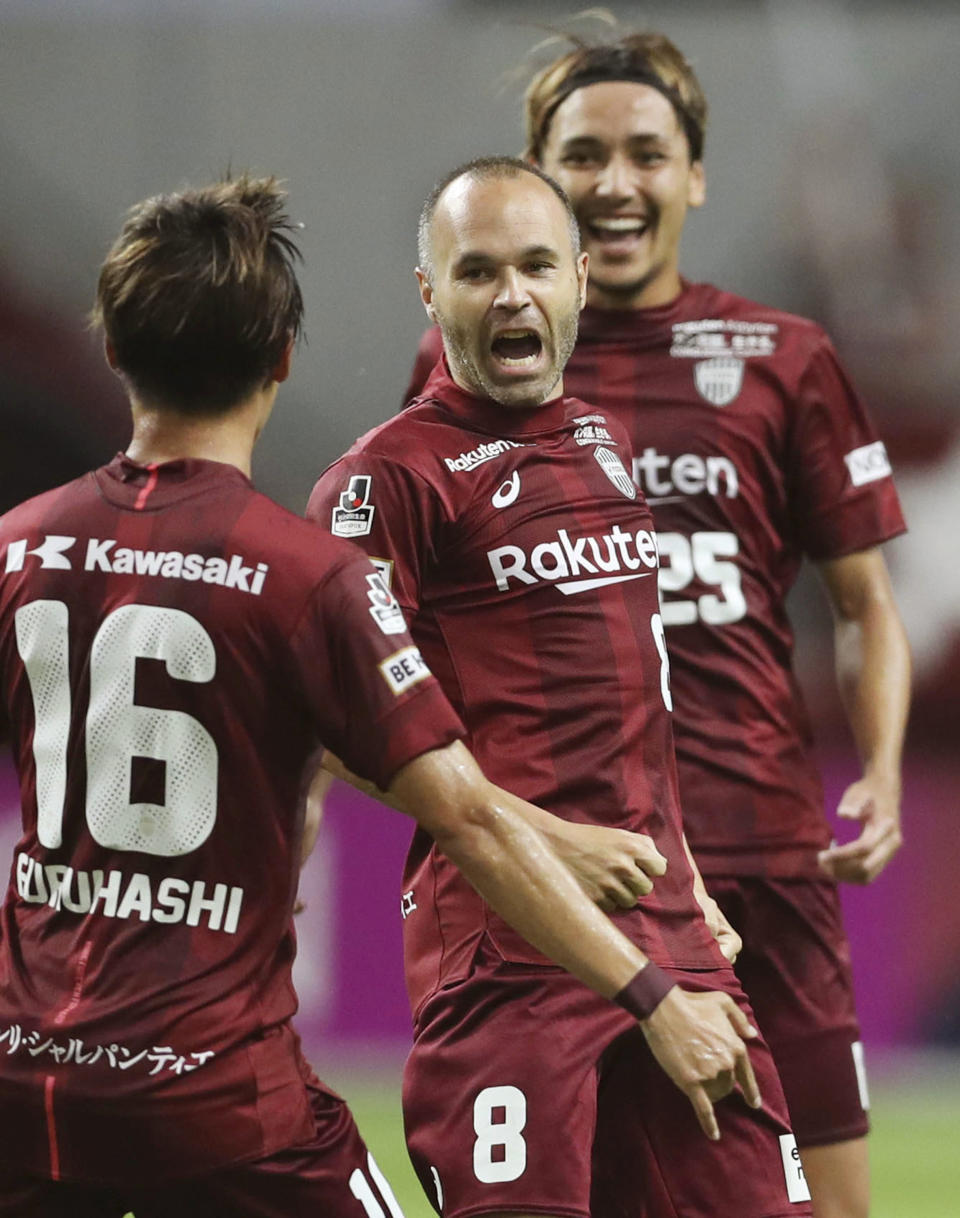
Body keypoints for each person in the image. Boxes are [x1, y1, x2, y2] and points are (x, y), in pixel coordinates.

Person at [0, 175, 759, 1218]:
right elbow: (465, 814)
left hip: (28, 1070)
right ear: (281, 362)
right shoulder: (307, 572)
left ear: (116, 353)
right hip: (218, 1083)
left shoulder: (15, 545)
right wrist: (651, 990)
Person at [404, 29, 912, 1218]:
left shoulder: (786, 358)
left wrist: (883, 767)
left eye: (648, 152)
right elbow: (397, 630)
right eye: (584, 155)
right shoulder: (462, 371)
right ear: (539, 172)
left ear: (695, 174)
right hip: (572, 867)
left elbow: (863, 604)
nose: (617, 182)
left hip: (761, 848)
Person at [309, 156, 813, 1218]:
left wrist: (688, 879)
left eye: (538, 265)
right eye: (478, 270)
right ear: (429, 291)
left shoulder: (605, 445)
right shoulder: (383, 483)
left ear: (581, 277)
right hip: (506, 952)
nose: (512, 296)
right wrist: (548, 838)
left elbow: (636, 710)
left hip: (666, 926)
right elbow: (335, 725)